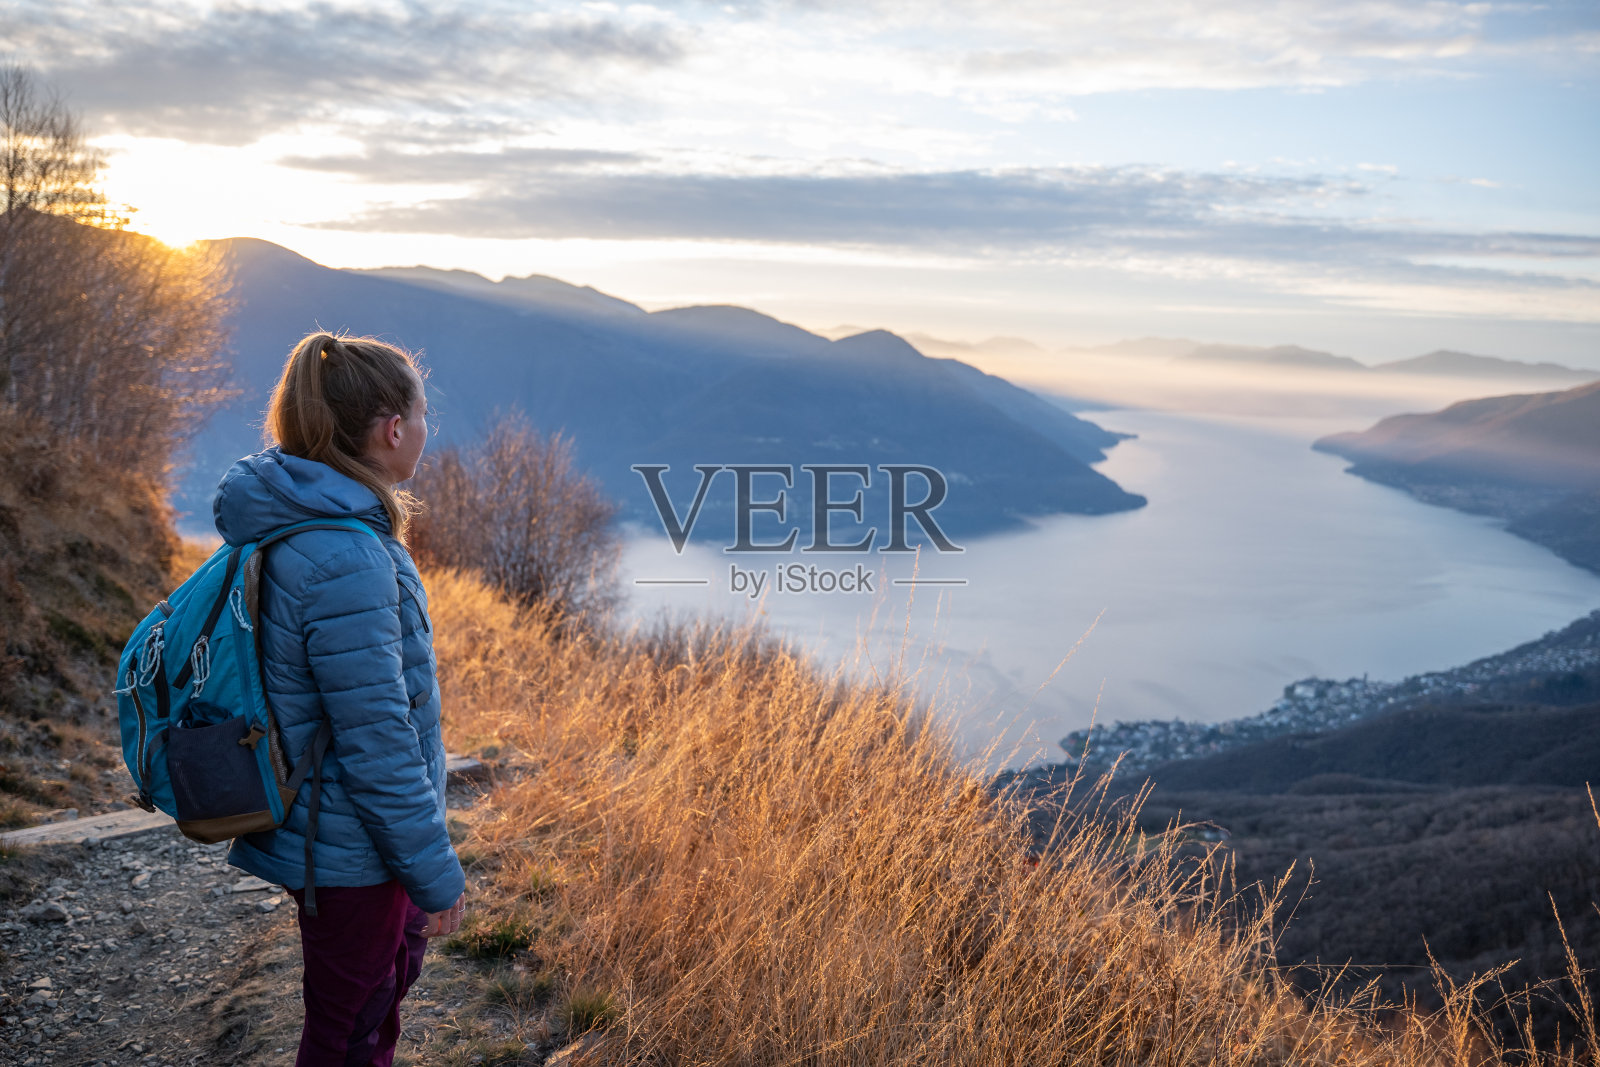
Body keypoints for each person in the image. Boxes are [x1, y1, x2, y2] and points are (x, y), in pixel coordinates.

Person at [211, 331, 467, 1067]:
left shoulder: (314, 524)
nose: (424, 430)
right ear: (393, 429)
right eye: (421, 416)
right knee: (348, 1029)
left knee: (369, 1002)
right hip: (352, 847)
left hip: (344, 836)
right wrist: (434, 870)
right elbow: (377, 732)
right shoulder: (346, 555)